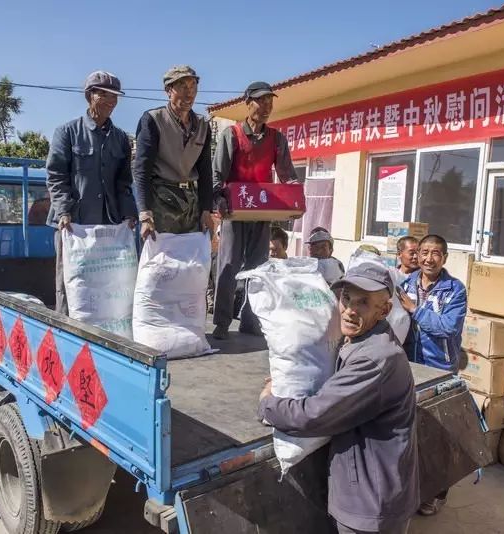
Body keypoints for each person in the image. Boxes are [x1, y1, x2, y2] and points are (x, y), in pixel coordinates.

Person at [258, 261, 418, 534]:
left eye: (363, 302)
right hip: (372, 493)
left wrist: (268, 403)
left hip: (370, 505)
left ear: (385, 310)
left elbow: (313, 415)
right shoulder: (363, 343)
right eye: (346, 299)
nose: (350, 310)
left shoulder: (375, 359)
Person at [212, 81, 300, 339]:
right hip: (235, 210)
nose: (266, 107)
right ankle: (221, 321)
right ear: (247, 103)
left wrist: (296, 201)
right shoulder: (232, 134)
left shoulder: (276, 138)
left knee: (258, 267)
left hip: (261, 211)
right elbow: (218, 174)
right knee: (228, 265)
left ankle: (250, 320)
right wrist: (219, 200)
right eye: (261, 101)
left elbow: (288, 176)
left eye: (269, 102)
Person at [46, 70, 138, 314]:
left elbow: (123, 182)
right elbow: (56, 175)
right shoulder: (67, 132)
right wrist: (64, 211)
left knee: (107, 282)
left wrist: (130, 214)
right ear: (90, 96)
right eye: (104, 95)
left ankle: (104, 332)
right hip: (74, 224)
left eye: (115, 96)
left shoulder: (120, 139)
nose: (111, 101)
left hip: (108, 225)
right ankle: (67, 333)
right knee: (71, 281)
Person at [396, 234, 467, 516]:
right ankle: (412, 490)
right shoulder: (405, 285)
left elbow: (448, 327)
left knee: (439, 436)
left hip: (439, 371)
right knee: (411, 434)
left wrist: (415, 310)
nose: (428, 258)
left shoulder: (454, 290)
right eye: (424, 252)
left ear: (444, 258)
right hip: (409, 368)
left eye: (435, 253)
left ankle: (436, 493)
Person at [133, 65, 214, 239]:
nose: (189, 93)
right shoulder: (153, 120)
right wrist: (145, 214)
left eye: (193, 87)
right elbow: (142, 170)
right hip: (161, 200)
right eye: (182, 87)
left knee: (191, 258)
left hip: (191, 201)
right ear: (169, 91)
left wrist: (206, 209)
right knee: (163, 259)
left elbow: (206, 171)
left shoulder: (202, 125)